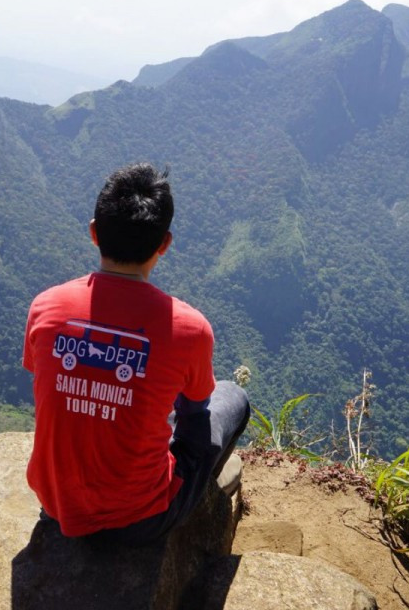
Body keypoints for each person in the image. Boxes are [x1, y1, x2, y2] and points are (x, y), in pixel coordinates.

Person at [23, 163, 249, 545]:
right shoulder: (189, 327)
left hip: (56, 505)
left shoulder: (46, 306)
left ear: (94, 232)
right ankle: (202, 493)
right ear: (164, 243)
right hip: (141, 519)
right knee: (234, 397)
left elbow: (50, 384)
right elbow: (195, 410)